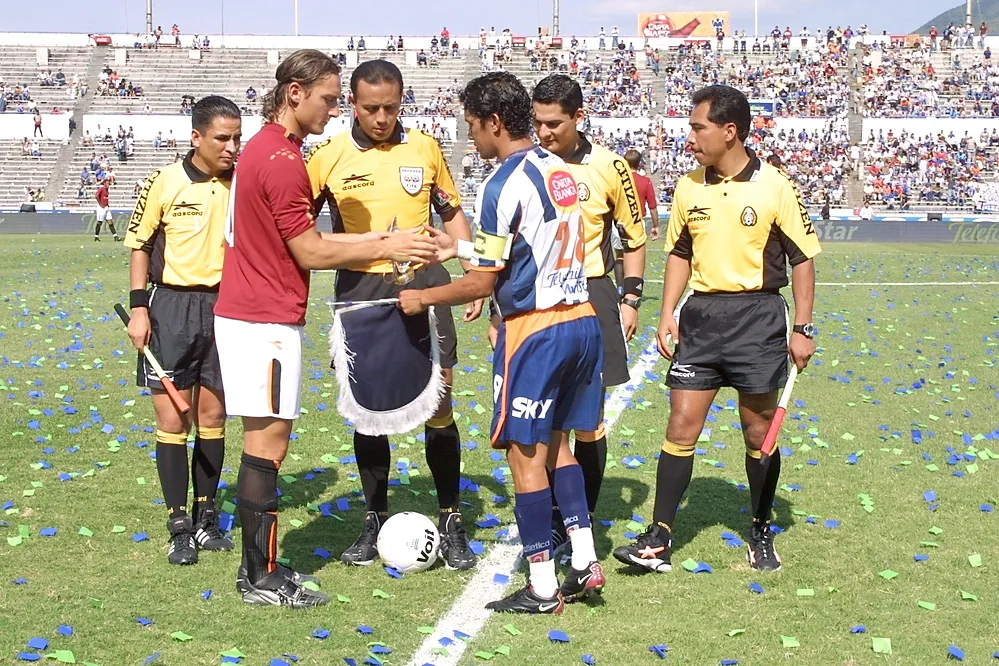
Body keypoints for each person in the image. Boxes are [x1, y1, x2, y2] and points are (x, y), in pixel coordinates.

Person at [212, 49, 439, 608]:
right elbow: (310, 251)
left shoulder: (267, 149)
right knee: (267, 445)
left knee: (266, 442)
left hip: (253, 313)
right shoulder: (283, 159)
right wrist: (386, 242)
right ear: (295, 92)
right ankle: (261, 577)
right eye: (329, 99)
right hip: (263, 320)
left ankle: (257, 569)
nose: (335, 110)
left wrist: (379, 241)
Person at [397, 71, 605, 614]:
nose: (472, 138)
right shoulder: (559, 169)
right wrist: (456, 245)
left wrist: (425, 298)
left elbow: (486, 282)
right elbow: (523, 247)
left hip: (534, 331)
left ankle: (541, 584)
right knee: (560, 447)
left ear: (494, 122)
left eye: (472, 126)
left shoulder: (499, 183)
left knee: (524, 456)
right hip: (581, 320)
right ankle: (583, 561)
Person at [613, 85, 821, 573]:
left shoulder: (775, 186)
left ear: (730, 132)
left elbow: (803, 260)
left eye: (697, 127)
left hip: (758, 319)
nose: (690, 136)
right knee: (680, 425)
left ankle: (760, 528)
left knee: (757, 432)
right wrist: (667, 314)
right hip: (701, 318)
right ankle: (660, 535)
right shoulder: (688, 187)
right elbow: (680, 254)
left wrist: (804, 327)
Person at [306, 59, 479, 570]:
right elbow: (300, 230)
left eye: (391, 107)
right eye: (370, 108)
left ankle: (450, 518)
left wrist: (470, 270)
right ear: (352, 106)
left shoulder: (425, 147)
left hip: (426, 283)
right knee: (369, 407)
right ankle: (374, 518)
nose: (381, 117)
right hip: (362, 290)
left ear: (402, 101)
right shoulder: (328, 156)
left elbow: (451, 212)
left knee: (440, 401)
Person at [123, 96, 243, 565]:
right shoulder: (164, 181)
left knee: (213, 418)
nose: (232, 147)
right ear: (196, 138)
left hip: (226, 308)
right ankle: (178, 525)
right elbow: (139, 247)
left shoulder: (241, 182)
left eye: (237, 138)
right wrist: (139, 310)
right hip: (170, 308)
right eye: (222, 138)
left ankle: (207, 517)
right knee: (173, 421)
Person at [530, 74, 647, 545]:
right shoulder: (529, 165)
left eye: (554, 123)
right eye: (538, 123)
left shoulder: (610, 167)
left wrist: (631, 297)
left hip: (594, 294)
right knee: (548, 413)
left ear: (579, 117)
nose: (544, 133)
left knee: (590, 419)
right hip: (540, 297)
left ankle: (583, 515)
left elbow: (633, 239)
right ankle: (556, 509)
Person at [625, 149, 659, 240]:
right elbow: (653, 207)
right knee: (637, 253)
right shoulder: (645, 181)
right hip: (637, 222)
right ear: (639, 163)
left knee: (619, 253)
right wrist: (656, 225)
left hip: (620, 222)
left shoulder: (617, 180)